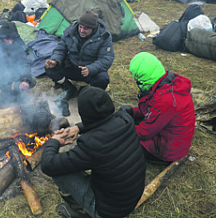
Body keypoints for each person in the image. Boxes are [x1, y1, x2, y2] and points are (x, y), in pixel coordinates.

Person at [41, 86, 146, 218]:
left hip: (109, 211)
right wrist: (78, 128)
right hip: (131, 195)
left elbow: (48, 165)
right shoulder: (125, 119)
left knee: (59, 172)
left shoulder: (91, 144)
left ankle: (81, 211)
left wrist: (54, 141)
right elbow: (106, 119)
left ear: (84, 114)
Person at [123, 52, 195, 163]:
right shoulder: (165, 82)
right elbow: (149, 110)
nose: (135, 82)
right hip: (173, 139)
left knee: (122, 141)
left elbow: (144, 132)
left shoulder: (164, 100)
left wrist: (123, 128)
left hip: (168, 150)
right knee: (132, 123)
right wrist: (131, 111)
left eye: (136, 78)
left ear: (143, 78)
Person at [45, 10, 115, 116]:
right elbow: (61, 48)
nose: (82, 30)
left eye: (86, 28)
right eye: (80, 27)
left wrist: (91, 69)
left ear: (93, 28)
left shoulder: (104, 36)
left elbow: (106, 58)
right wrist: (55, 60)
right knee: (49, 68)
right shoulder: (71, 30)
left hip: (89, 71)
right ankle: (68, 88)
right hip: (72, 66)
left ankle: (90, 97)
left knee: (103, 79)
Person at [0, 21, 36, 109]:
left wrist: (25, 80)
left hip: (12, 80)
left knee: (32, 80)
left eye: (12, 39)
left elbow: (24, 64)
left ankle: (13, 94)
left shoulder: (17, 44)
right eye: (7, 39)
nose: (10, 42)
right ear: (0, 37)